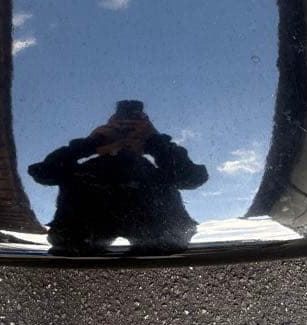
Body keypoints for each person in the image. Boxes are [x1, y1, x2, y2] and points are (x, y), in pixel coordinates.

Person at [28, 101, 208, 255]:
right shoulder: (83, 171)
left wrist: (155, 141)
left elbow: (192, 178)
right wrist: (90, 143)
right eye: (119, 126)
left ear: (146, 129)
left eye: (134, 125)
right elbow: (44, 173)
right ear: (108, 127)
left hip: (163, 247)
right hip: (77, 246)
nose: (126, 131)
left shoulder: (160, 174)